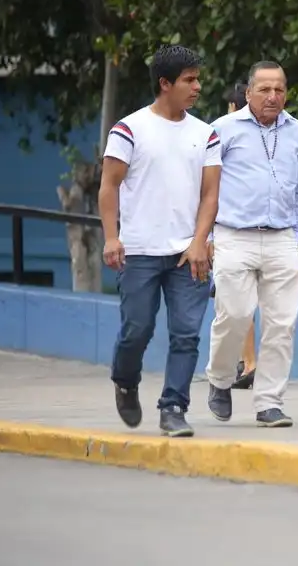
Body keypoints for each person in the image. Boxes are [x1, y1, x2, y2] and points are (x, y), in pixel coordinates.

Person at [100, 45, 221, 438]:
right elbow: (109, 186)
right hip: (138, 251)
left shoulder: (206, 133)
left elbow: (210, 195)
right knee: (137, 328)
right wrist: (111, 237)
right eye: (189, 80)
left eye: (197, 78)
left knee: (186, 333)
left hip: (188, 253)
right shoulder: (129, 129)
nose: (197, 87)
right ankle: (125, 380)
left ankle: (173, 406)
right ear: (164, 83)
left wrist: (200, 241)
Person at [205, 61, 298, 428]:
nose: (273, 97)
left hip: (282, 238)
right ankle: (220, 380)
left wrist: (295, 232)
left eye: (280, 90)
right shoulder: (222, 130)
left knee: (282, 325)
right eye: (265, 89)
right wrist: (205, 237)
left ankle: (269, 402)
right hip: (233, 236)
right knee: (234, 316)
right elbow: (201, 188)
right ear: (248, 91)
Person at [207, 82, 259, 390]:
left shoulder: (222, 140)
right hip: (255, 234)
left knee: (233, 304)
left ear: (232, 107)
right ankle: (244, 362)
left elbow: (211, 194)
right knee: (239, 302)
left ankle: (247, 362)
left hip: (228, 234)